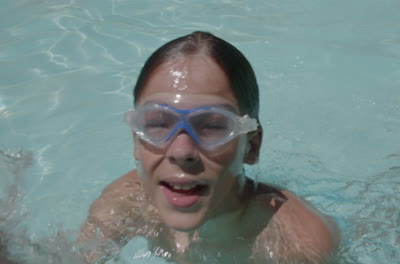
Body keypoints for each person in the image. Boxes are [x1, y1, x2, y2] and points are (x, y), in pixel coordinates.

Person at [77, 31, 339, 264]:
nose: (181, 151)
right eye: (158, 123)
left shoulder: (301, 244)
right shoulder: (126, 203)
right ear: (136, 140)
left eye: (212, 126)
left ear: (252, 145)